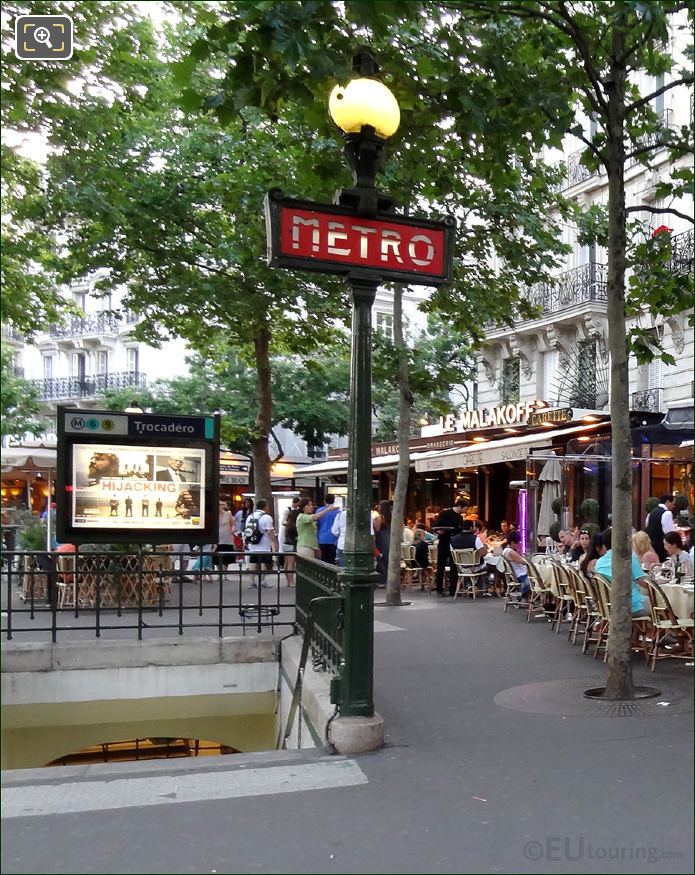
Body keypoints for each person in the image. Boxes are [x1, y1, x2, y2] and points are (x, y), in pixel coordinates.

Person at [593, 528, 650, 617]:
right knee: (665, 606)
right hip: (633, 605)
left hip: (610, 606)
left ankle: (640, 630)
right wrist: (657, 583)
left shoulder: (599, 563)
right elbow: (643, 583)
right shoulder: (628, 558)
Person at [431, 499, 465, 596]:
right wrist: (439, 531)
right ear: (459, 506)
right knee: (441, 566)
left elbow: (459, 530)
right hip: (444, 542)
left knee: (454, 566)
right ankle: (439, 589)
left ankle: (453, 589)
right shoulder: (444, 513)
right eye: (464, 509)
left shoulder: (460, 517)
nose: (464, 511)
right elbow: (436, 526)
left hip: (454, 544)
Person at [245, 498, 278, 588]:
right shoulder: (267, 517)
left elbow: (247, 530)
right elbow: (270, 531)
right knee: (263, 563)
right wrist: (274, 541)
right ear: (265, 506)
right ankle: (262, 581)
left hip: (252, 543)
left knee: (253, 562)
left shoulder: (250, 516)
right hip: (264, 544)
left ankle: (252, 582)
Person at [451, 519, 489, 596]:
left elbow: (452, 553)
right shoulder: (475, 539)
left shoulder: (453, 540)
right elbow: (484, 553)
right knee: (490, 566)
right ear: (471, 527)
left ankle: (469, 586)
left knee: (469, 567)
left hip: (462, 567)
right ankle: (484, 588)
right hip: (476, 567)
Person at [644, 494, 676, 562]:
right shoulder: (667, 513)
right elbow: (670, 533)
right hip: (662, 548)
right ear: (667, 502)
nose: (674, 506)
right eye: (673, 504)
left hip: (652, 546)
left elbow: (647, 526)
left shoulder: (652, 512)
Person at [502, 530, 530, 596]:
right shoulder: (511, 552)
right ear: (512, 542)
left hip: (516, 574)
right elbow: (524, 562)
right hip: (521, 575)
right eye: (517, 543)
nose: (518, 544)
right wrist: (520, 550)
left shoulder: (505, 551)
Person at [280, 497, 301, 586]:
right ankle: (291, 582)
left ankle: (289, 581)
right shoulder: (294, 527)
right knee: (291, 564)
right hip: (292, 545)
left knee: (287, 563)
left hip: (286, 543)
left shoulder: (288, 526)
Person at [315, 494, 340, 564]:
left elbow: (317, 524)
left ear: (324, 501)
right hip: (333, 539)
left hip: (321, 538)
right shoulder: (338, 512)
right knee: (331, 560)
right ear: (334, 500)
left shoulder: (319, 511)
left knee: (322, 560)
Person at [373, 500, 392, 587]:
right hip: (389, 538)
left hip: (381, 539)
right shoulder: (392, 516)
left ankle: (382, 580)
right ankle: (389, 579)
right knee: (387, 559)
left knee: (381, 559)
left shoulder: (380, 517)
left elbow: (377, 529)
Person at [213, 500, 235, 571]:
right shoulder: (214, 514)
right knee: (217, 557)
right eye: (220, 505)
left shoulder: (228, 514)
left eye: (223, 505)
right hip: (217, 537)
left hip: (227, 537)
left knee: (226, 556)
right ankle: (219, 572)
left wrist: (232, 530)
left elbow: (233, 524)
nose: (221, 506)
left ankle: (225, 572)